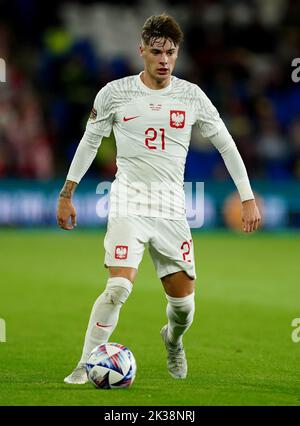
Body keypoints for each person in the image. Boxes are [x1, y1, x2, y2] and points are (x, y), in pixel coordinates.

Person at [57, 13, 261, 384]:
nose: (164, 59)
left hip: (171, 207)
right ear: (142, 52)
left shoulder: (191, 96)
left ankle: (173, 340)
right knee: (118, 286)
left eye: (170, 52)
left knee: (183, 307)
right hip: (128, 201)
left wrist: (246, 197)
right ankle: (85, 365)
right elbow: (90, 142)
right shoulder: (115, 93)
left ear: (177, 53)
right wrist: (66, 193)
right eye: (156, 52)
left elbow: (226, 145)